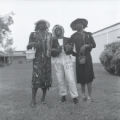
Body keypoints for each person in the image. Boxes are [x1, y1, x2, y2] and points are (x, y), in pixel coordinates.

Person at [27, 20, 52, 106]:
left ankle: (43, 98)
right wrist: (34, 43)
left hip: (47, 60)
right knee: (36, 79)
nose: (42, 25)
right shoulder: (33, 34)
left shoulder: (49, 35)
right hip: (37, 60)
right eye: (40, 24)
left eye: (43, 24)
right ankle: (33, 100)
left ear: (46, 25)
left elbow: (52, 46)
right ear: (37, 25)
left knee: (46, 79)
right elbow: (28, 45)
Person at [51, 25, 79, 104]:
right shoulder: (52, 40)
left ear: (62, 30)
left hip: (67, 59)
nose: (58, 31)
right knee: (60, 79)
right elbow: (51, 53)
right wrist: (57, 50)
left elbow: (71, 50)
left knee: (70, 78)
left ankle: (74, 96)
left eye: (59, 29)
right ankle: (63, 95)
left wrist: (68, 48)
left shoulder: (68, 39)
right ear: (54, 31)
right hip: (57, 60)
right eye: (56, 30)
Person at [70, 18, 96, 101]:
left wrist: (86, 46)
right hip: (79, 58)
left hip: (88, 58)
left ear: (83, 25)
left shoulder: (88, 34)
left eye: (80, 23)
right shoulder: (73, 36)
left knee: (89, 76)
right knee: (81, 77)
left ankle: (89, 96)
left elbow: (94, 45)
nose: (78, 25)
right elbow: (70, 48)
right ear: (75, 26)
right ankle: (83, 95)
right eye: (76, 24)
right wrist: (75, 54)